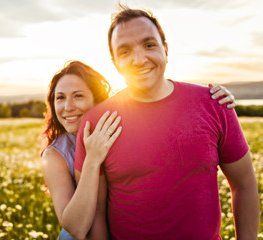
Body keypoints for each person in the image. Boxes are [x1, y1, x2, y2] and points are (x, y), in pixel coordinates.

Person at [74, 5, 260, 240]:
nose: (139, 59)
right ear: (115, 63)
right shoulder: (97, 123)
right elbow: (97, 214)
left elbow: (243, 184)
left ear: (166, 49)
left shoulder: (214, 104)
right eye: (125, 51)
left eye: (149, 44)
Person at [41, 60, 238, 240]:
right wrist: (92, 159)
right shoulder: (54, 155)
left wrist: (212, 98)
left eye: (78, 96)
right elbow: (77, 228)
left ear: (97, 100)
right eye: (60, 98)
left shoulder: (118, 127)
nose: (68, 106)